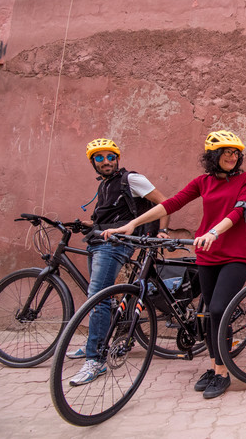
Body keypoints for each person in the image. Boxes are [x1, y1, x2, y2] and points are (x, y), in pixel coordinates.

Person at [104, 130, 246, 399]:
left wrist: (213, 232)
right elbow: (171, 203)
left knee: (220, 309)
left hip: (236, 253)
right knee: (209, 313)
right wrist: (131, 224)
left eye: (236, 153)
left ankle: (224, 373)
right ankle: (214, 367)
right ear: (213, 156)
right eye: (226, 152)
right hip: (207, 255)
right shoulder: (203, 182)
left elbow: (239, 211)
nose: (232, 157)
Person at [67, 138, 170, 386]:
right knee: (99, 297)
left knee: (99, 297)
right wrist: (84, 224)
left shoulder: (131, 179)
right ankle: (98, 340)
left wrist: (162, 232)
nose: (106, 162)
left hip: (117, 244)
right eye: (100, 158)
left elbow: (164, 203)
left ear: (117, 159)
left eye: (110, 157)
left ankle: (95, 359)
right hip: (100, 241)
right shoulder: (105, 186)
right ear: (93, 162)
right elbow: (111, 217)